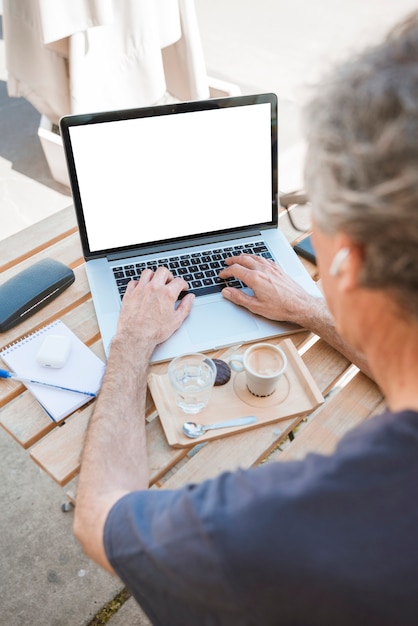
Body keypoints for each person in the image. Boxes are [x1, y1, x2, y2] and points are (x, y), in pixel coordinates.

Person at [73, 12, 418, 625]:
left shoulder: (278, 526)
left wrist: (130, 341)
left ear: (349, 258)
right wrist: (310, 308)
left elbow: (100, 515)